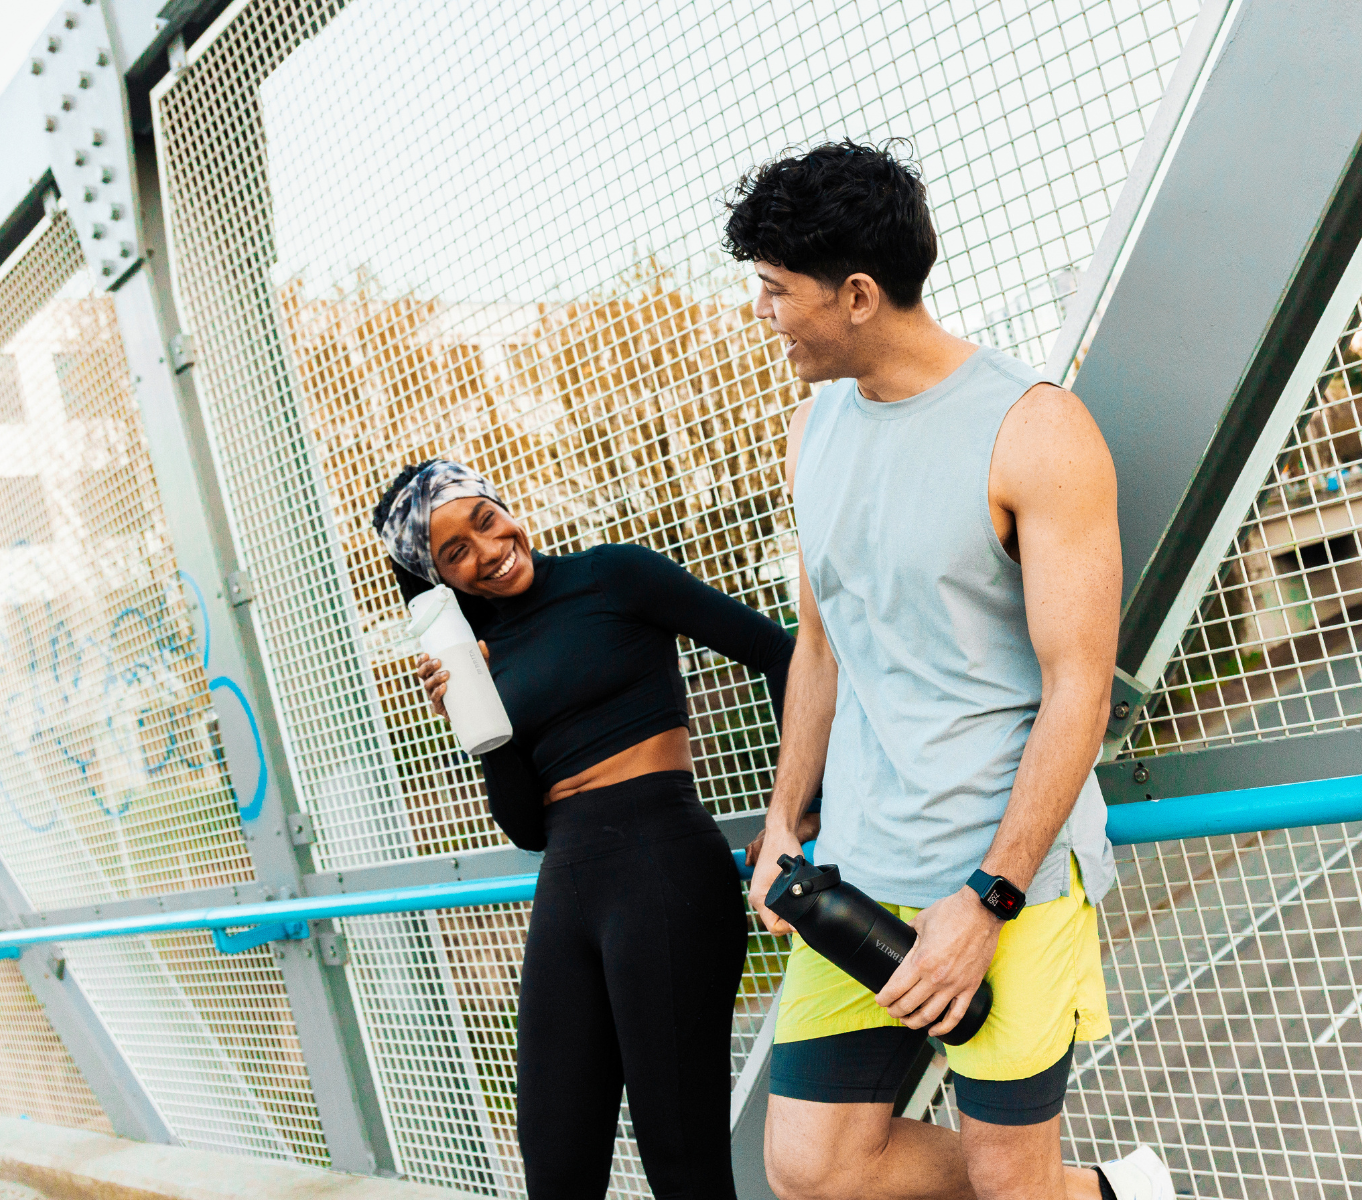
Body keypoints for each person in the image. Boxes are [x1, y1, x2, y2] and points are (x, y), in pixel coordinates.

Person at [732, 142, 1177, 1200]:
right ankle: (1110, 1195)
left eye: (774, 290)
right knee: (811, 1168)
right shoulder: (810, 430)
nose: (761, 314)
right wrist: (783, 821)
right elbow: (823, 640)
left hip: (1001, 871)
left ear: (855, 295)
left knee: (1008, 1183)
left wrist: (989, 897)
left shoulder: (1036, 430)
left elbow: (1080, 684)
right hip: (859, 869)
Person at [375, 458, 793, 1200]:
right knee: (556, 1164)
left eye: (483, 520)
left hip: (663, 865)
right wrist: (475, 711)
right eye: (455, 554)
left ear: (500, 504)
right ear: (440, 580)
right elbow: (526, 829)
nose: (488, 550)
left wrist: (792, 809)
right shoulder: (476, 653)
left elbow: (779, 654)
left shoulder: (615, 576)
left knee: (682, 1163)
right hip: (568, 884)